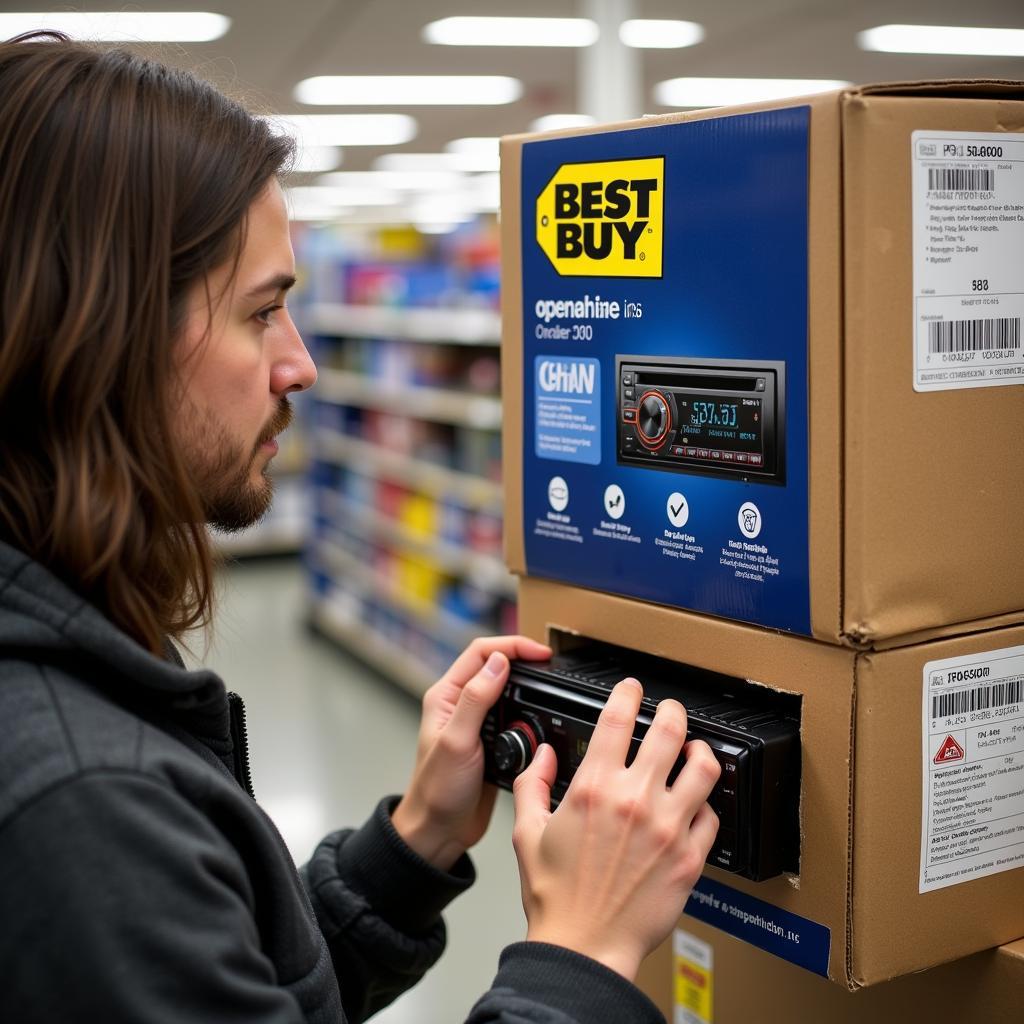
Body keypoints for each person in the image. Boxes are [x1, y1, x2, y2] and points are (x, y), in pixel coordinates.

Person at [0, 32, 721, 1024]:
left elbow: (236, 985)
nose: (299, 364)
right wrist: (582, 954)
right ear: (101, 332)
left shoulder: (68, 648)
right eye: (262, 314)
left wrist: (416, 842)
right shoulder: (76, 806)